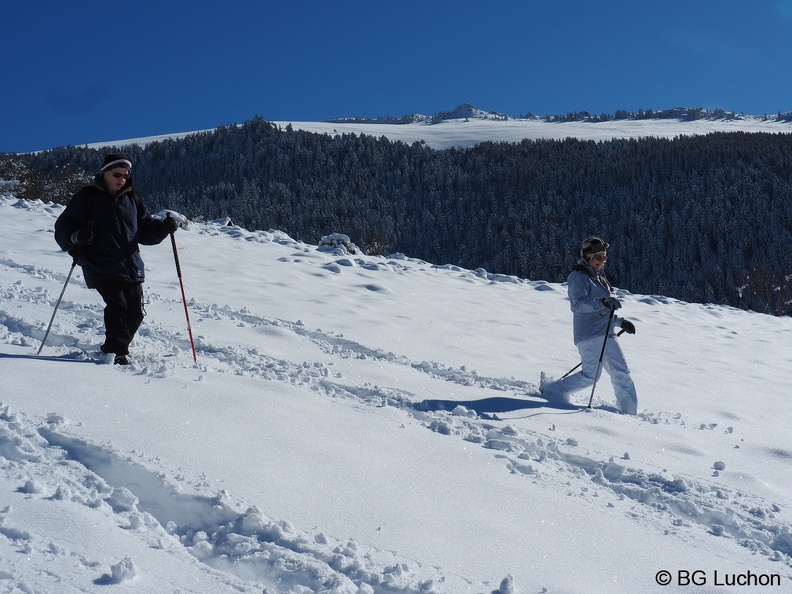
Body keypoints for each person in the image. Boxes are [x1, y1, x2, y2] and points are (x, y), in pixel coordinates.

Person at [54, 154, 181, 365]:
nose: (122, 179)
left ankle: (112, 346)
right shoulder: (88, 196)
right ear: (105, 173)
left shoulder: (132, 199)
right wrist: (77, 236)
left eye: (126, 175)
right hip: (99, 263)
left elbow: (145, 231)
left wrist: (162, 228)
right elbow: (62, 230)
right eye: (117, 174)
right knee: (118, 306)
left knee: (136, 313)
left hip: (130, 265)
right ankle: (116, 354)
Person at [540, 236, 638, 414]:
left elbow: (602, 311)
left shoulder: (598, 278)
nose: (603, 261)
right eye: (599, 257)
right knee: (591, 376)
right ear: (588, 257)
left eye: (605, 257)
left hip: (606, 334)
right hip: (589, 336)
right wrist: (602, 301)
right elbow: (578, 304)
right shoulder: (577, 277)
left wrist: (621, 322)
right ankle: (553, 391)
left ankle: (629, 413)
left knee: (621, 372)